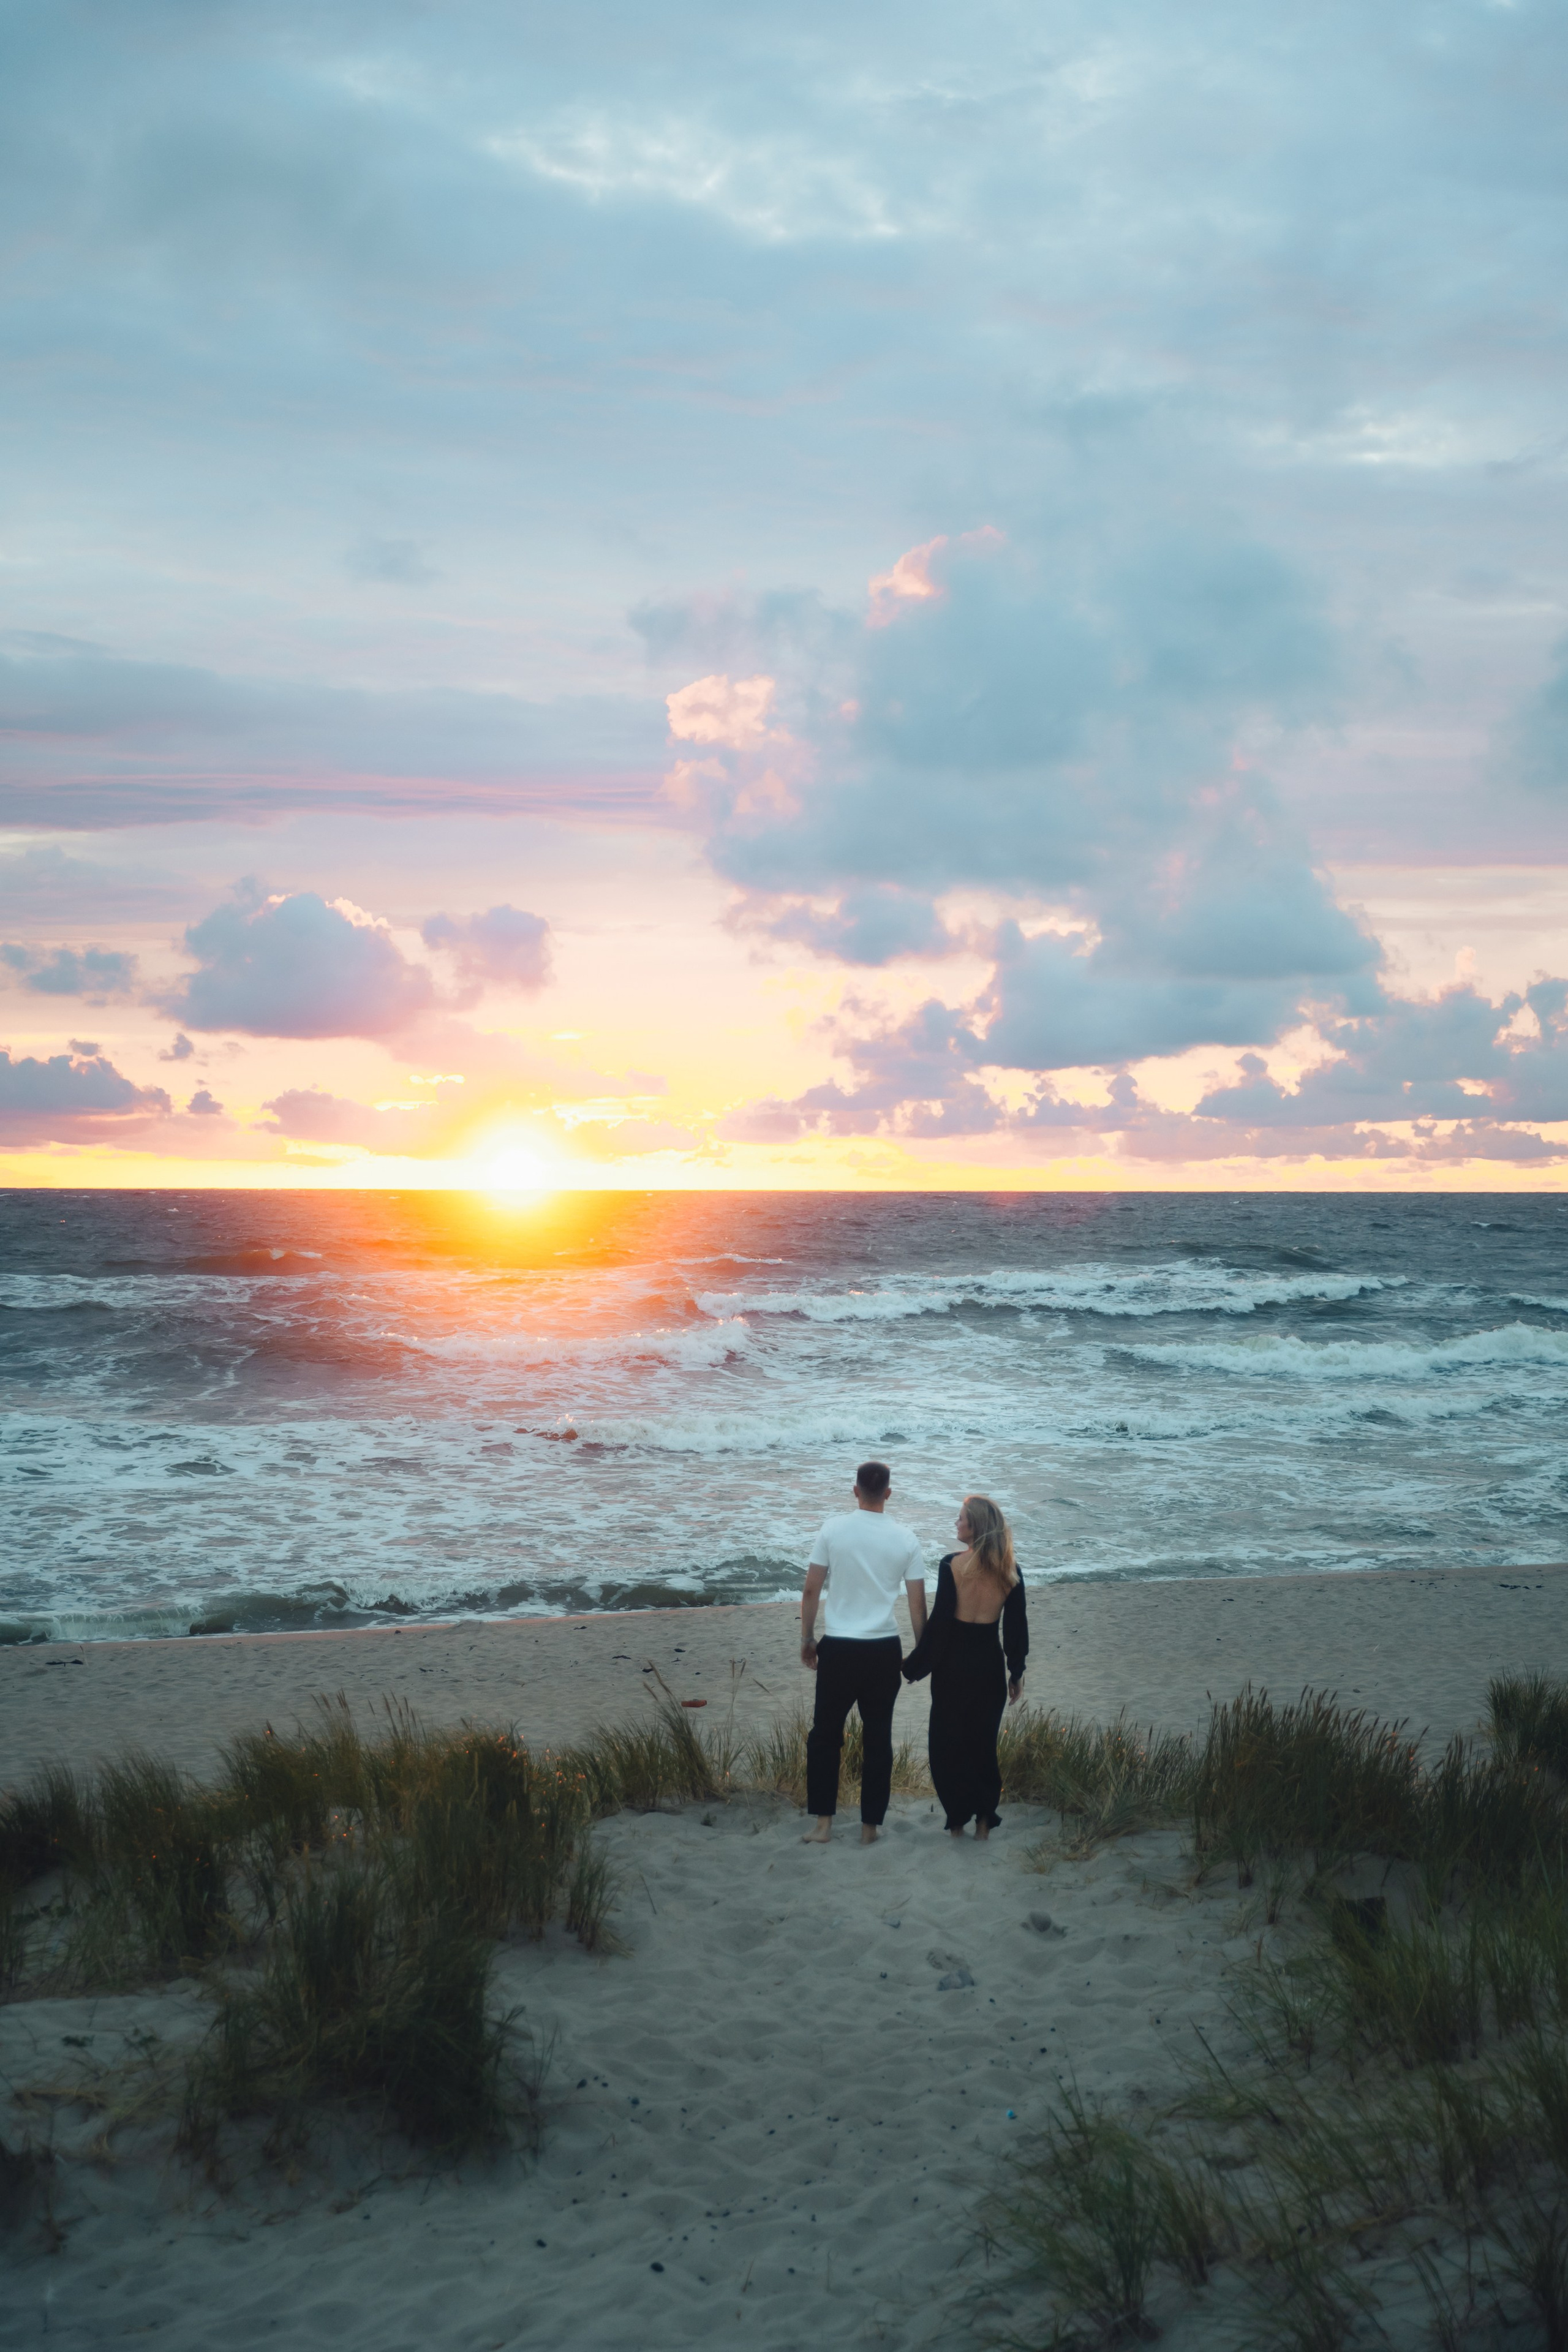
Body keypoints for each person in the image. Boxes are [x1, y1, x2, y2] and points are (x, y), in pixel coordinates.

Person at [799, 1460, 928, 1846]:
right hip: (883, 1649)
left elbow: (810, 1591)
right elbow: (918, 1606)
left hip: (838, 1647)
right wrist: (921, 1654)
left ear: (855, 1490)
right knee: (877, 1739)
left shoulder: (832, 1529)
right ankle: (869, 1827)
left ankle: (823, 1826)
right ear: (888, 1492)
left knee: (825, 1737)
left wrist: (807, 1638)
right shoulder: (907, 1538)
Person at [902, 1494, 1027, 1839]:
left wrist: (915, 1666)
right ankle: (984, 1822)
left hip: (952, 1668)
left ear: (975, 1526)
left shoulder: (951, 1565)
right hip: (988, 1666)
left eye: (960, 1519)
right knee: (983, 1746)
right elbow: (1016, 1628)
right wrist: (1016, 1672)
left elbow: (941, 1624)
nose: (955, 1524)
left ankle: (957, 1823)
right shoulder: (1010, 1571)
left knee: (947, 1746)